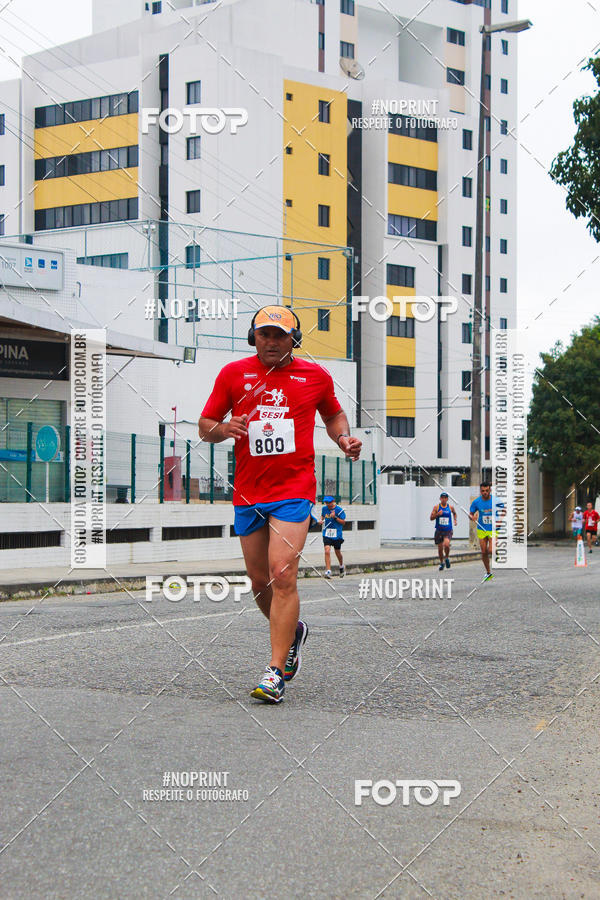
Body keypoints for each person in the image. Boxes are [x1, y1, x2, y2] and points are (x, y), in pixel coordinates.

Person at [198, 305, 362, 703]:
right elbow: (205, 426)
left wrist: (344, 439)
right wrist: (225, 429)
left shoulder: (314, 376)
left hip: (295, 488)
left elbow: (334, 414)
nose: (271, 342)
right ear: (253, 337)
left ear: (295, 339)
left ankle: (274, 672)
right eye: (264, 334)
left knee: (282, 571)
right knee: (260, 582)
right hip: (249, 492)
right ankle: (293, 634)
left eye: (280, 335)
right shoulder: (233, 374)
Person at [468, 481, 505, 582]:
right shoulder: (476, 502)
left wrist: (500, 521)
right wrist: (472, 517)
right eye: (483, 491)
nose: (485, 492)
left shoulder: (496, 500)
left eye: (487, 491)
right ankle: (488, 572)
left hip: (493, 528)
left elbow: (504, 510)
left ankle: (496, 552)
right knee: (484, 551)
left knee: (490, 550)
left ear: (490, 490)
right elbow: (470, 514)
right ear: (480, 491)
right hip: (481, 528)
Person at [320, 496, 346, 577]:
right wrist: (321, 520)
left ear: (333, 501)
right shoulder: (324, 509)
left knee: (337, 552)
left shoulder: (339, 510)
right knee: (327, 551)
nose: (328, 504)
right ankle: (328, 571)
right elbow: (322, 516)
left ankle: (341, 566)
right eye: (326, 503)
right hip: (327, 533)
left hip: (337, 534)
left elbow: (343, 522)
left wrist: (335, 517)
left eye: (329, 502)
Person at [430, 492, 457, 570]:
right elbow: (431, 518)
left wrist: (455, 520)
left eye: (445, 498)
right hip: (439, 530)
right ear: (440, 499)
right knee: (440, 548)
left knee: (447, 544)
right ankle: (442, 562)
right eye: (442, 498)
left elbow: (454, 513)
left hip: (448, 530)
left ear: (447, 499)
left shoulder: (450, 507)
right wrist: (437, 514)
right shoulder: (436, 507)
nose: (444, 499)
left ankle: (447, 558)